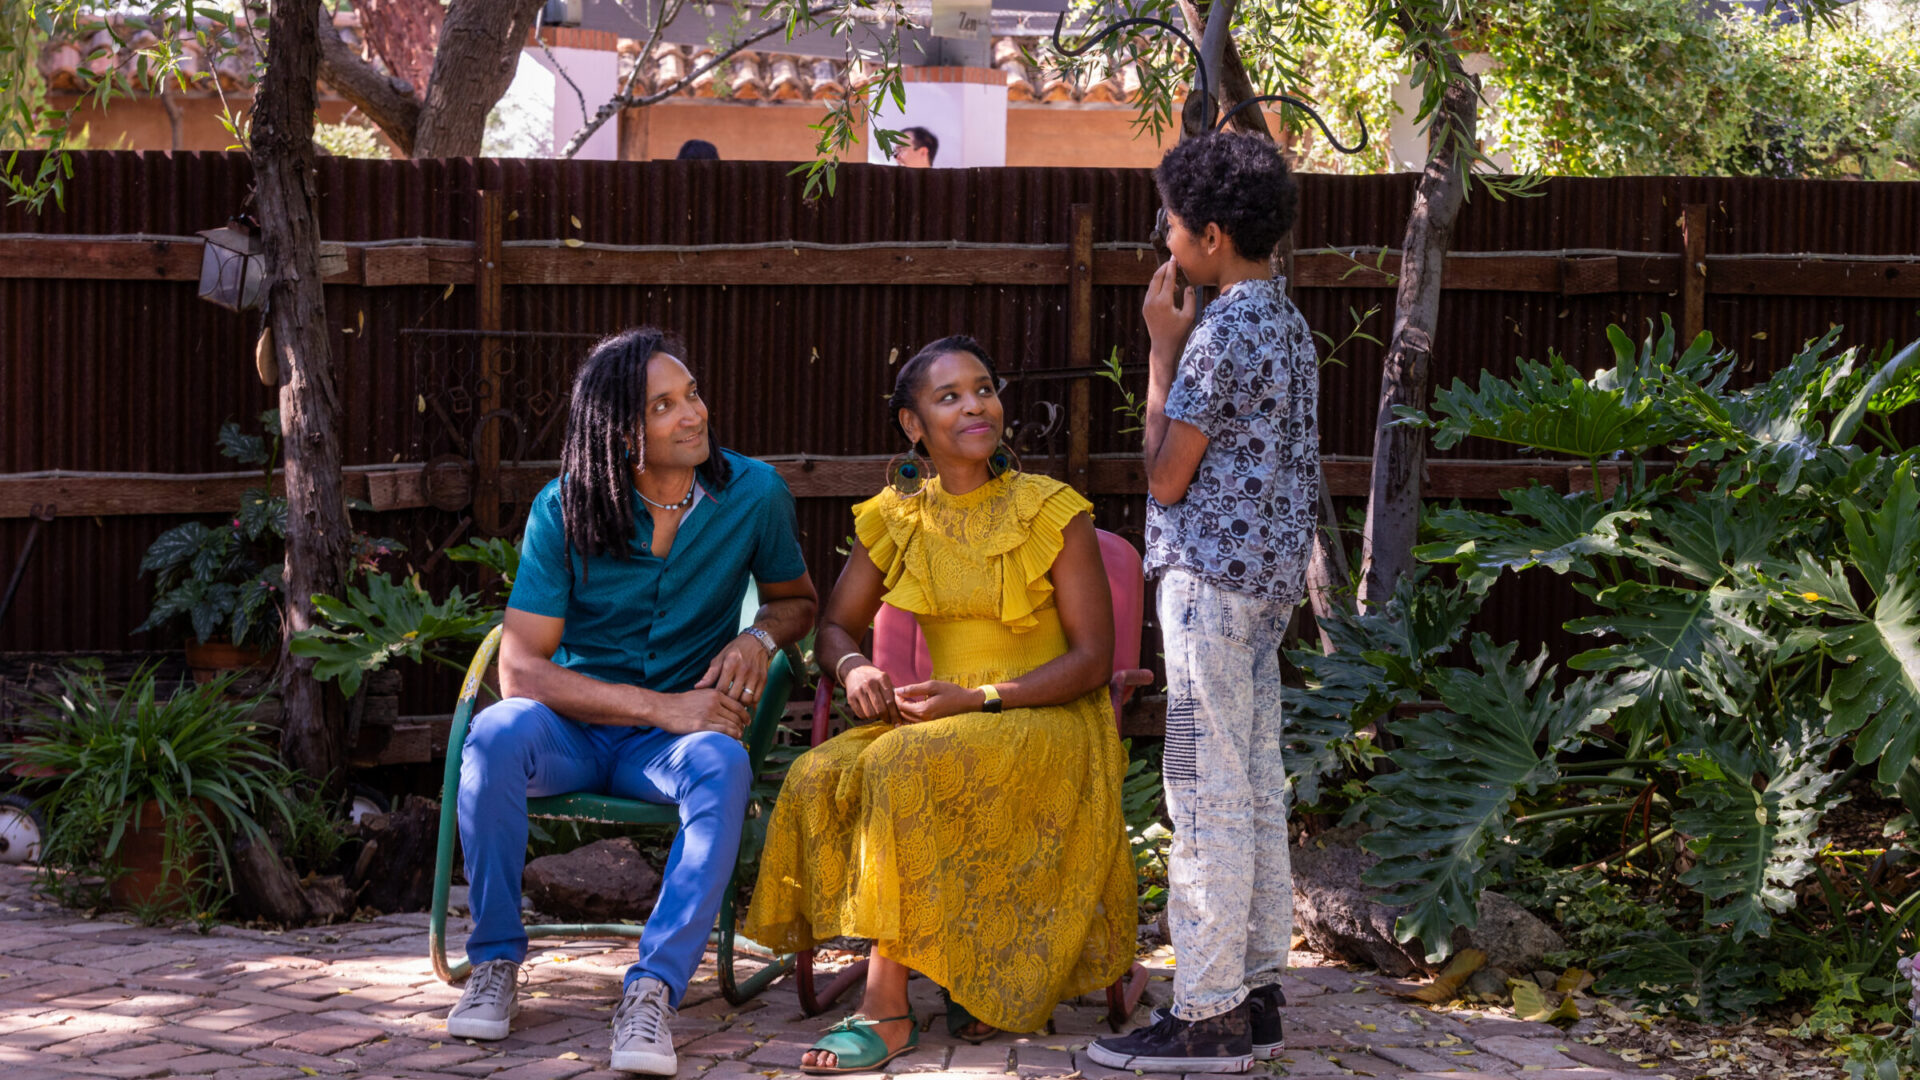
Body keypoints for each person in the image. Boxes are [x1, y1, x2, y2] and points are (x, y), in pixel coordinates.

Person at [743, 336, 1136, 1074]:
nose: (975, 406)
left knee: (902, 767)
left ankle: (886, 1009)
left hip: (1048, 719)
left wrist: (981, 698)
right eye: (949, 396)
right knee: (818, 773)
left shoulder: (1052, 509)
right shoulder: (900, 517)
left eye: (983, 389)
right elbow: (834, 627)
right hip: (946, 718)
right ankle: (955, 960)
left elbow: (1092, 662)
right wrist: (854, 665)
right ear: (912, 424)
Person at [445, 328, 818, 1076]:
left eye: (693, 395)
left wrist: (758, 638)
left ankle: (652, 989)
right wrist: (661, 707)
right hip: (570, 730)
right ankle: (493, 962)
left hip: (670, 749)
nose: (694, 414)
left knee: (723, 764)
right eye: (664, 406)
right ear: (621, 433)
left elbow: (798, 601)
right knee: (493, 734)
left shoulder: (754, 495)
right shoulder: (564, 507)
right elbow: (520, 671)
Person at [1087, 132, 1315, 1074]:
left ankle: (1208, 1013)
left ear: (1212, 236)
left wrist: (1160, 352)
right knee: (1252, 783)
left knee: (1202, 789)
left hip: (1208, 591)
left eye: (1172, 224)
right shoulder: (1289, 323)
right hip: (1265, 589)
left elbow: (1167, 476)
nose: (1165, 240)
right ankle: (1255, 994)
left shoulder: (1219, 333)